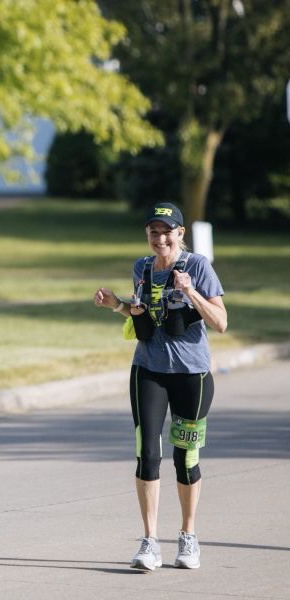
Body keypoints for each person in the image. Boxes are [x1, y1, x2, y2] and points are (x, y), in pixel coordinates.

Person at [93, 202, 227, 571]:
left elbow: (221, 322)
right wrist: (117, 305)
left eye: (167, 231)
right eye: (154, 231)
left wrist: (192, 292)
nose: (160, 238)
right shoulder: (142, 268)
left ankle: (188, 536)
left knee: (186, 457)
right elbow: (143, 314)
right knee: (147, 452)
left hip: (191, 374)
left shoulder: (197, 266)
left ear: (180, 233)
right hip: (148, 370)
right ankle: (150, 541)